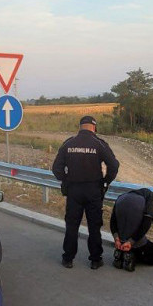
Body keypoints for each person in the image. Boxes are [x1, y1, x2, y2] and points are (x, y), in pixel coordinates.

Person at [52, 115, 119, 269]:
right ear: (94, 127)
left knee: (72, 225)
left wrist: (66, 180)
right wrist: (105, 181)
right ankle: (95, 260)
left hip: (74, 191)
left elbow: (56, 168)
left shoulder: (69, 143)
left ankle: (68, 258)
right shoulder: (99, 144)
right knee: (94, 226)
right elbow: (114, 165)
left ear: (80, 126)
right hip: (94, 190)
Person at [110, 188, 153, 271]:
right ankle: (131, 257)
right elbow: (145, 226)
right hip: (134, 242)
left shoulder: (120, 198)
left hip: (120, 243)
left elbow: (113, 221)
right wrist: (130, 242)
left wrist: (116, 239)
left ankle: (119, 256)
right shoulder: (145, 200)